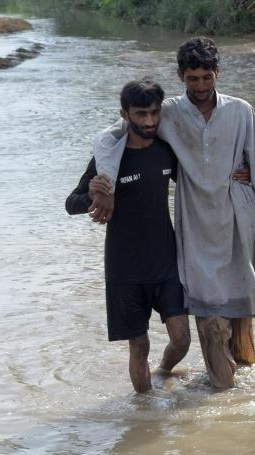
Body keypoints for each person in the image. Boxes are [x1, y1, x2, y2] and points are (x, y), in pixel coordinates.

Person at [89, 37, 255, 389]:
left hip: (238, 224)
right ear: (180, 76)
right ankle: (224, 393)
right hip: (195, 229)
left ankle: (243, 401)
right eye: (192, 78)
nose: (200, 86)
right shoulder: (166, 113)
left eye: (207, 77)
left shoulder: (241, 112)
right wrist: (105, 185)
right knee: (211, 321)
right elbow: (111, 137)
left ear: (218, 73)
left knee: (241, 323)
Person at [65, 79, 190, 393]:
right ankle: (145, 413)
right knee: (139, 345)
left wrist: (241, 173)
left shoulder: (166, 150)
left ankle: (163, 370)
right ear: (125, 114)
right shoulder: (108, 160)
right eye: (140, 114)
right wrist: (93, 195)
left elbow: (200, 180)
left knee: (182, 338)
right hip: (124, 268)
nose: (149, 121)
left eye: (153, 113)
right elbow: (72, 203)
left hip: (166, 261)